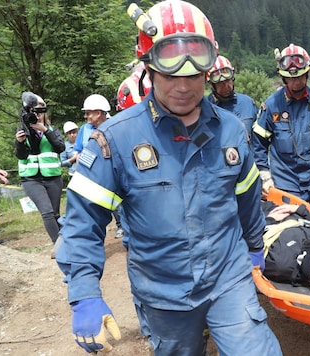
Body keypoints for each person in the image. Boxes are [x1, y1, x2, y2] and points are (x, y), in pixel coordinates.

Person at [56, 1, 282, 355]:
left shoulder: (232, 132)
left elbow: (248, 196)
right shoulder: (115, 140)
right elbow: (82, 221)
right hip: (163, 294)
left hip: (228, 280)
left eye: (193, 74)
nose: (183, 86)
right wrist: (84, 294)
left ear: (208, 70)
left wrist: (254, 247)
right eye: (170, 74)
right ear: (148, 68)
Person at [251, 43, 310, 208]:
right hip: (285, 185)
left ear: (307, 73)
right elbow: (258, 145)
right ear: (284, 77)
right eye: (292, 78)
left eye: (300, 77)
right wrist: (265, 175)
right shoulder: (272, 106)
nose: (296, 82)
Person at [15, 93, 65, 249]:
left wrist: (45, 130)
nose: (37, 114)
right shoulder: (22, 129)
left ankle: (67, 240)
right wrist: (20, 143)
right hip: (31, 179)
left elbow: (60, 147)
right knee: (47, 212)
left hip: (52, 177)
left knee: (55, 214)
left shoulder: (51, 129)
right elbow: (21, 155)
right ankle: (59, 247)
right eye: (34, 111)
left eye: (40, 111)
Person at [75, 94, 124, 239]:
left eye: (88, 113)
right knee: (91, 209)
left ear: (98, 113)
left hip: (113, 174)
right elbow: (78, 151)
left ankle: (123, 227)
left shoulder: (116, 126)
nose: (86, 116)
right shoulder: (84, 129)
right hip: (92, 177)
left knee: (118, 203)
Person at [206, 55, 258, 139]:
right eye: (220, 83)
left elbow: (259, 141)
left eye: (227, 80)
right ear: (211, 84)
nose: (225, 86)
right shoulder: (204, 109)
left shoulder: (248, 103)